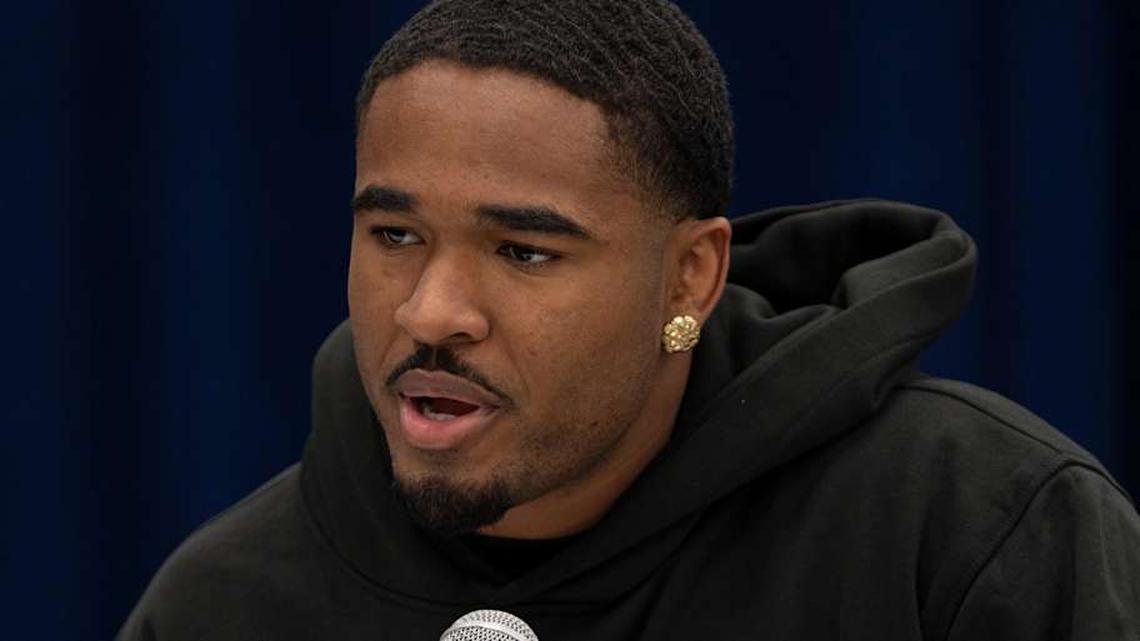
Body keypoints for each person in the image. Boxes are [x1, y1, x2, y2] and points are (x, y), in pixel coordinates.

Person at [117, 1, 1140, 639]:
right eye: (394, 235)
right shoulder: (222, 605)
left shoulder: (975, 532)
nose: (431, 312)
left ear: (690, 276)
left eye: (523, 251)